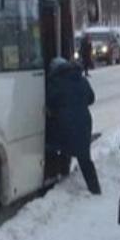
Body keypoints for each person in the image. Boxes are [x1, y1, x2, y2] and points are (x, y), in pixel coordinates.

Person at [46, 56, 100, 194]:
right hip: (84, 121)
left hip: (64, 122)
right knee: (84, 157)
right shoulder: (81, 78)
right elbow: (91, 98)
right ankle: (95, 188)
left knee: (56, 148)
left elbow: (50, 102)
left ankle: (59, 179)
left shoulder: (55, 82)